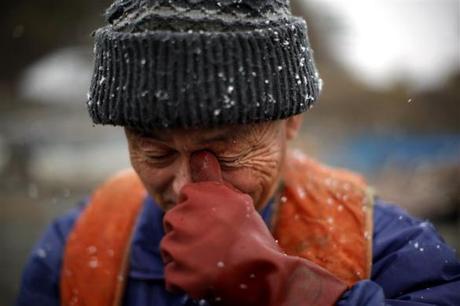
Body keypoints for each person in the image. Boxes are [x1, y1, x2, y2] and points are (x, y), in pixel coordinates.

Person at [16, 1, 460, 305]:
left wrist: (288, 290)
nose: (188, 188)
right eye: (156, 153)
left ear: (291, 122)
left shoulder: (390, 252)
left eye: (223, 151)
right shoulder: (74, 249)